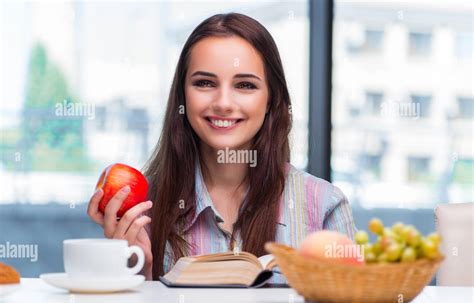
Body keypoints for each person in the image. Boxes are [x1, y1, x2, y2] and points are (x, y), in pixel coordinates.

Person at [87, 13, 357, 283]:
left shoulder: (324, 206)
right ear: (183, 96)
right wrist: (138, 274)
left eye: (245, 85)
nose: (224, 103)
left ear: (271, 100)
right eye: (205, 83)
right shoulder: (143, 211)